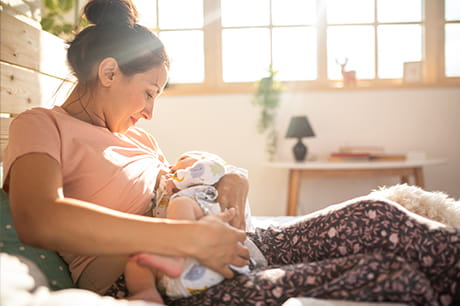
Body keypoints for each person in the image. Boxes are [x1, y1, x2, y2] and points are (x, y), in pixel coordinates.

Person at [2, 0, 459, 305]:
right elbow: (40, 219)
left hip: (216, 243)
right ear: (107, 72)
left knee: (379, 217)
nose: (150, 112)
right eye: (147, 92)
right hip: (156, 275)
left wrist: (232, 175)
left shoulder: (138, 139)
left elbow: (183, 185)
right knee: (390, 276)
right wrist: (183, 240)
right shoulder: (40, 126)